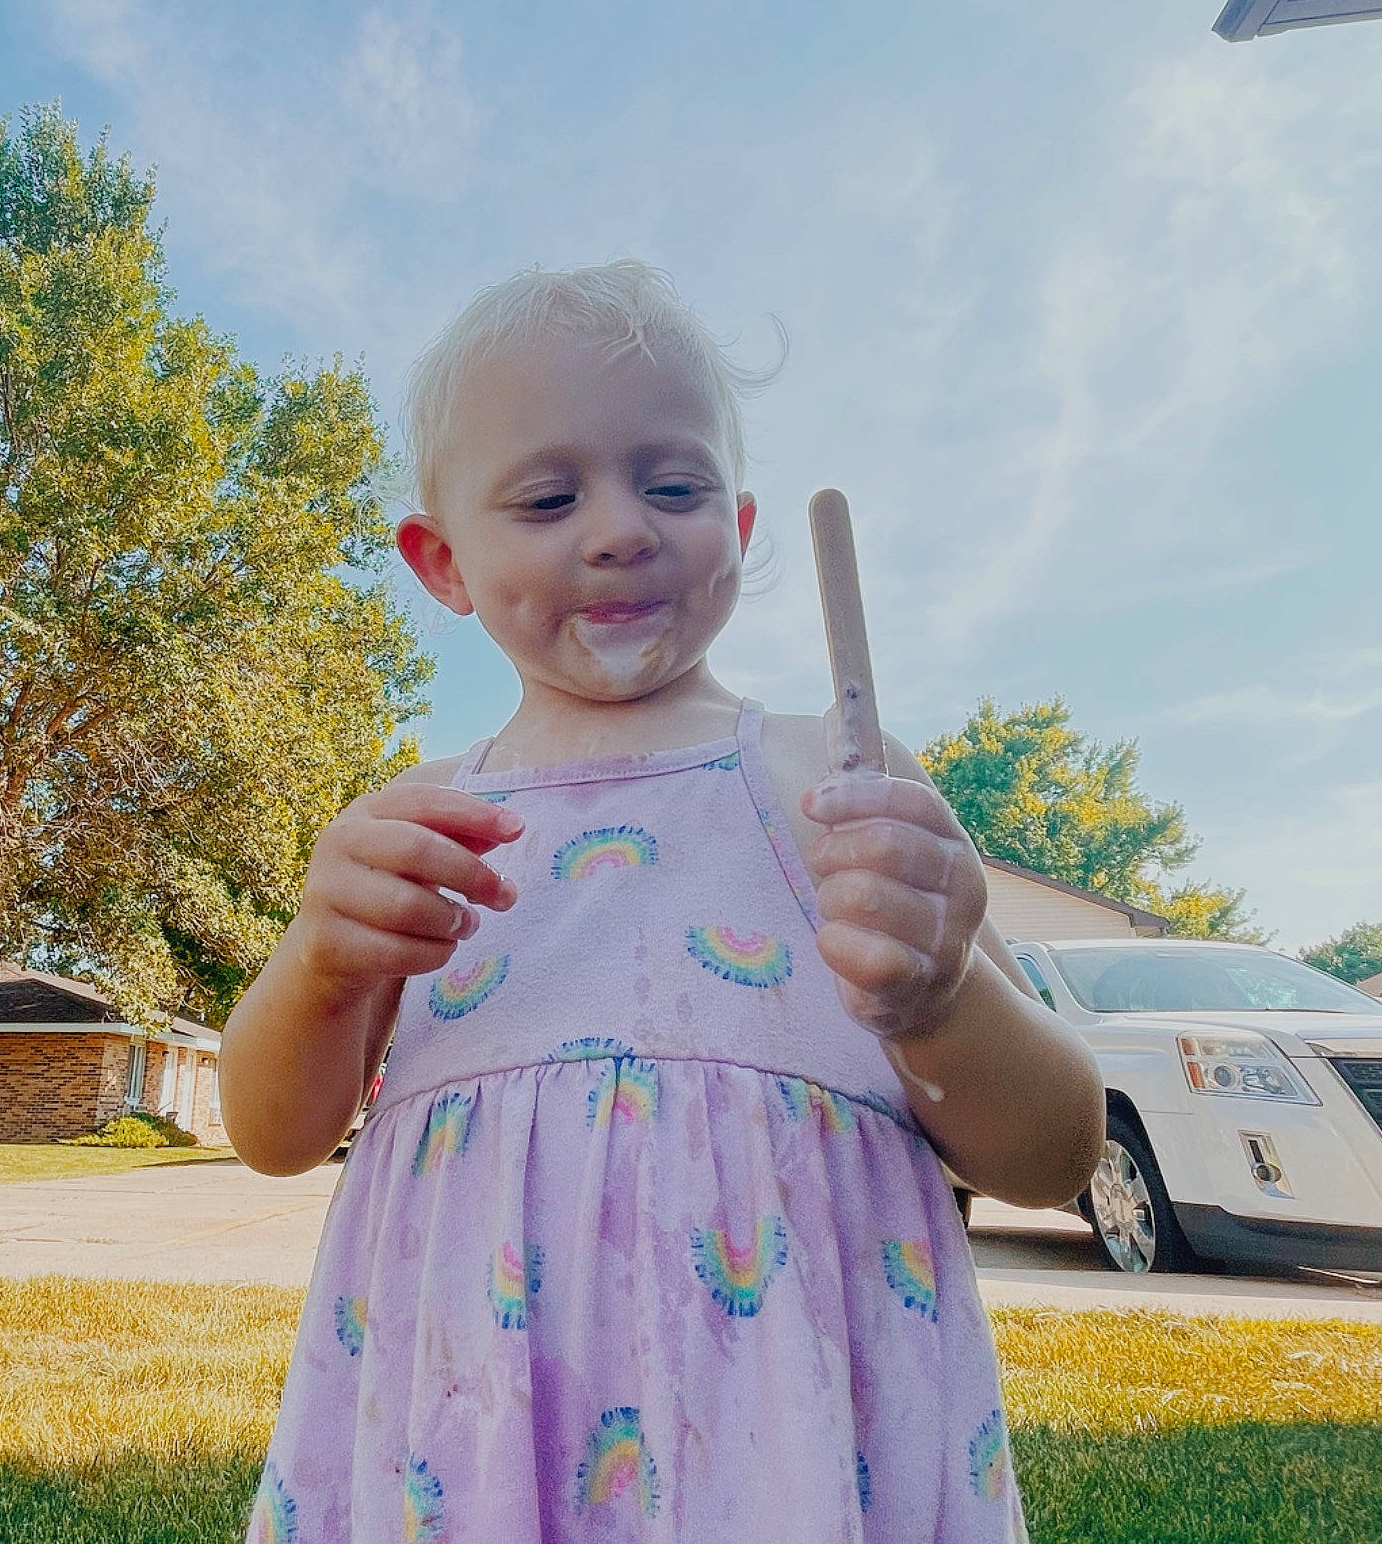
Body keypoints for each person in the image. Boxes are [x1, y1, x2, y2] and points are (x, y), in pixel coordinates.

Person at [217, 260, 1105, 1542]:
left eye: (670, 484)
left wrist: (936, 995)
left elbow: (1052, 1153)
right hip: (472, 1443)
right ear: (441, 560)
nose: (621, 526)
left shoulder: (834, 781)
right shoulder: (416, 828)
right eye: (547, 495)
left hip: (790, 1439)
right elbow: (274, 1131)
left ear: (737, 532)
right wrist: (318, 965)